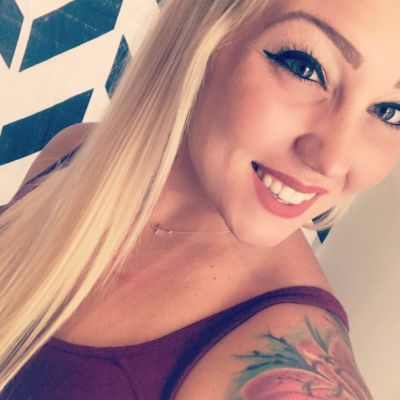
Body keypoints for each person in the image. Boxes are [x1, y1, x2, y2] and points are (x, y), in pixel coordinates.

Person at [1, 0, 399, 398]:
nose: (333, 160)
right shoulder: (71, 157)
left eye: (389, 111)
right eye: (304, 68)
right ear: (205, 34)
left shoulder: (292, 367)